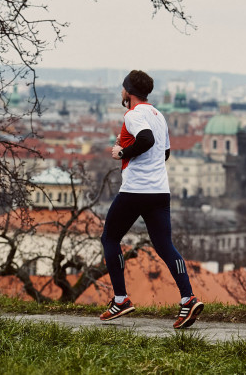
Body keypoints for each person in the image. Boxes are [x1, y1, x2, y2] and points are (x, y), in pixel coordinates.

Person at [99, 69, 203, 329]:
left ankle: (121, 299)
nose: (121, 91)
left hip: (135, 190)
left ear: (129, 92)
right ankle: (188, 298)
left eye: (123, 87)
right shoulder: (159, 115)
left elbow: (146, 139)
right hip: (159, 191)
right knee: (165, 245)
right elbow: (164, 152)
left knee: (110, 238)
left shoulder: (134, 114)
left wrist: (122, 151)